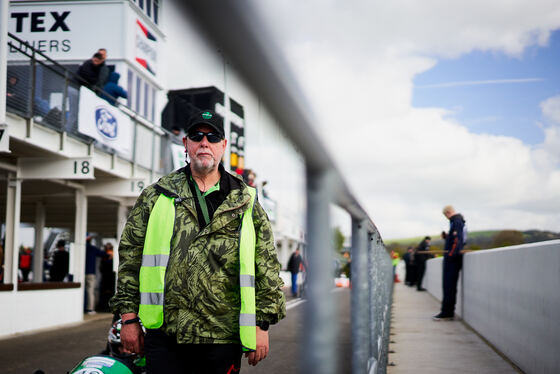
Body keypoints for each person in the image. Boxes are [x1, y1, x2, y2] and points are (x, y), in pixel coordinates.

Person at [110, 109, 286, 373]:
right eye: (197, 135)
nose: (205, 142)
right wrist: (129, 319)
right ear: (186, 143)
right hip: (167, 334)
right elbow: (130, 259)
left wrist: (261, 325)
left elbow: (267, 266)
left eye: (213, 137)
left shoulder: (246, 200)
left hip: (223, 336)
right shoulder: (156, 196)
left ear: (224, 146)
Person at [433, 205, 466, 321]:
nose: (446, 218)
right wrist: (447, 237)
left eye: (445, 215)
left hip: (452, 258)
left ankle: (447, 312)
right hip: (453, 257)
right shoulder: (458, 221)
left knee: (449, 286)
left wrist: (451, 254)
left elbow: (457, 240)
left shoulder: (456, 221)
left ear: (448, 212)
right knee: (449, 286)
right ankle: (447, 311)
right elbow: (456, 239)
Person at [85, 234, 107, 314]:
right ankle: (90, 309)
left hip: (79, 274)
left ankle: (82, 308)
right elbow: (104, 254)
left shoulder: (81, 247)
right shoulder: (92, 248)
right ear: (90, 240)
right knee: (90, 291)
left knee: (82, 291)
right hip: (90, 273)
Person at [98, 243, 116, 312]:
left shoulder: (108, 259)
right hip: (106, 279)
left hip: (109, 279)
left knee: (108, 294)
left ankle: (108, 307)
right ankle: (105, 307)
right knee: (105, 294)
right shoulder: (105, 258)